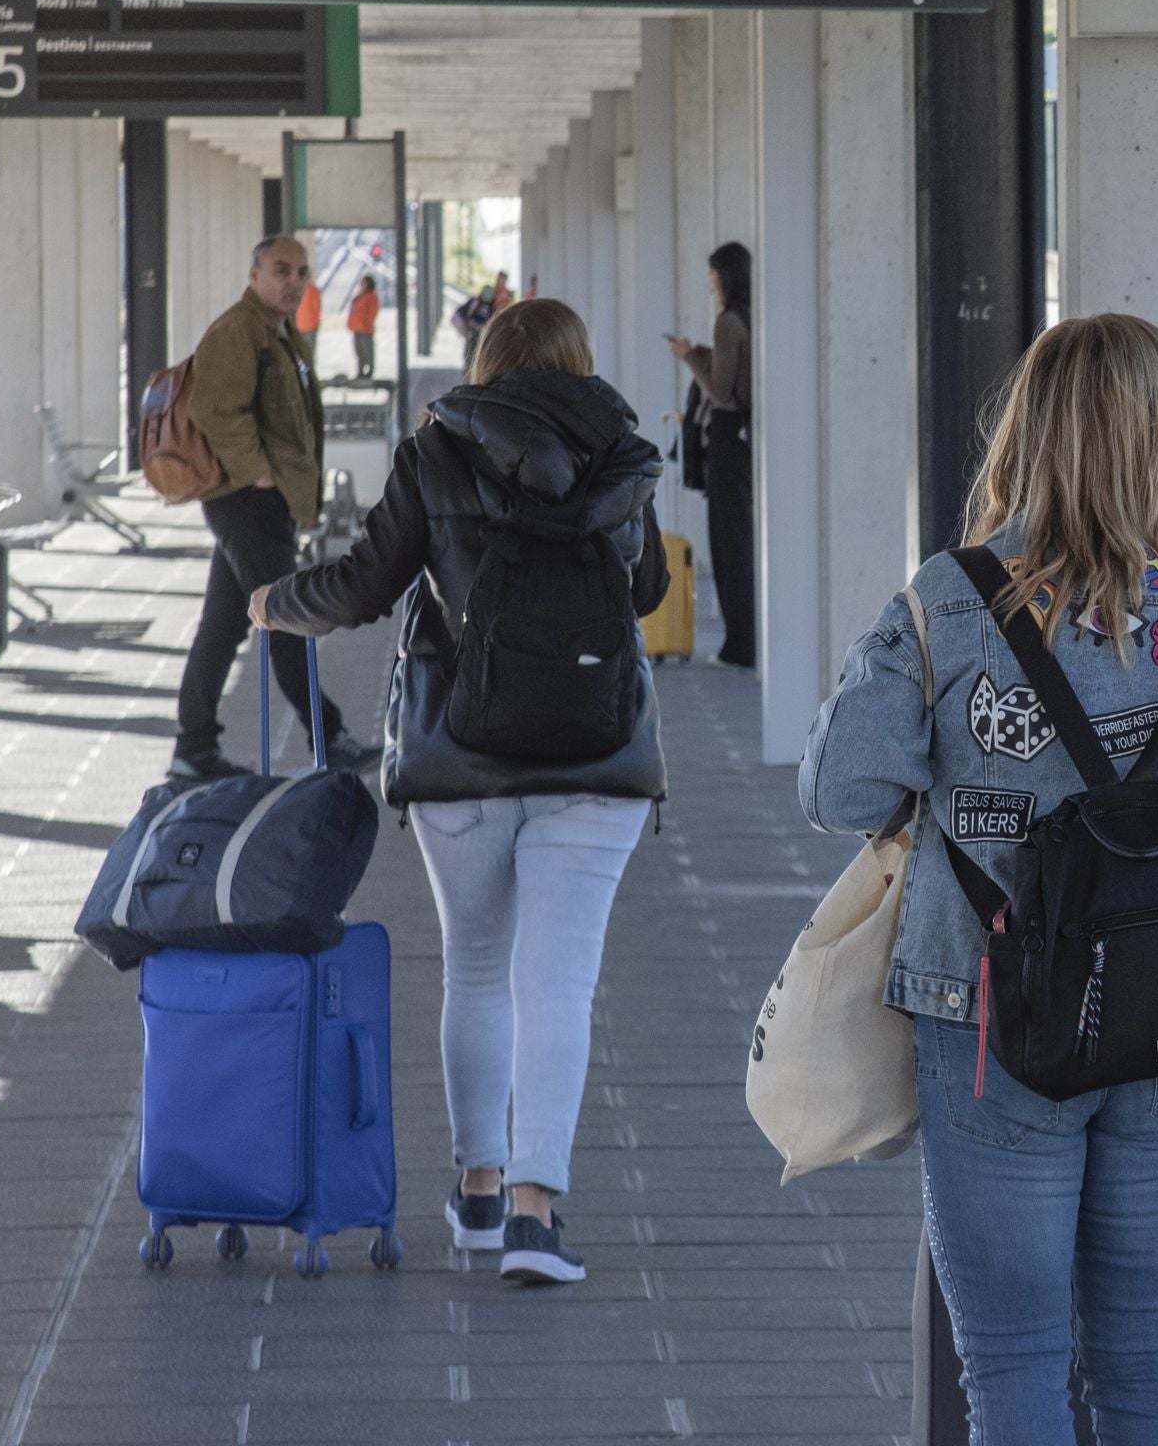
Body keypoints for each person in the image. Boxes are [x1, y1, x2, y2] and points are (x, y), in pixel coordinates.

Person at [799, 313, 1158, 1445]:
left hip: (996, 1019)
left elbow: (838, 788)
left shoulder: (945, 601)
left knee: (1014, 1369)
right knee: (1146, 1345)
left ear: (1024, 433)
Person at [250, 298, 669, 1286]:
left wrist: (277, 601)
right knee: (555, 982)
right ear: (581, 359)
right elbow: (645, 591)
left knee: (477, 970)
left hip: (460, 749)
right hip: (595, 749)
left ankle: (478, 1192)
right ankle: (536, 1211)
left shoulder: (436, 448)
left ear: (485, 359)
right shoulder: (619, 450)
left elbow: (361, 584)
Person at [169, 235, 368, 783]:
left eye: (302, 272)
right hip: (247, 501)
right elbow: (213, 407)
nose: (293, 281)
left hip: (259, 502)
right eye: (281, 270)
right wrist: (256, 471)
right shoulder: (238, 331)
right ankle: (330, 737)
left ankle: (194, 749)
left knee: (223, 626)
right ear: (254, 272)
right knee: (285, 616)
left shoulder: (280, 333)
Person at [665, 242, 754, 668]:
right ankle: (748, 637)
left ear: (725, 277)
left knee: (727, 540)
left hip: (725, 437)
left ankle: (739, 643)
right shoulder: (753, 316)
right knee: (741, 537)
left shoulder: (727, 321)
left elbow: (720, 391)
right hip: (746, 438)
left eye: (714, 275)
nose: (710, 283)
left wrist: (688, 359)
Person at [345, 273, 382, 381]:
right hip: (356, 328)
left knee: (367, 350)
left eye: (364, 282)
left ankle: (369, 370)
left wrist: (367, 322)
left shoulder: (372, 297)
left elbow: (372, 312)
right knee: (359, 350)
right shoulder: (358, 297)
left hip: (366, 329)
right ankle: (360, 370)